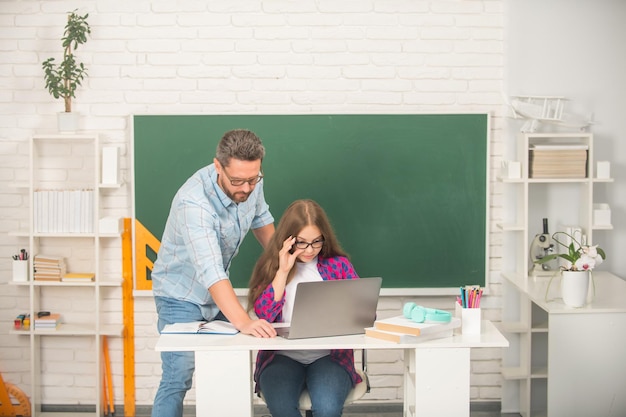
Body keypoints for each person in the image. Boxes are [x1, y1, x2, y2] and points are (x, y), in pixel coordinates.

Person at [151, 129, 277, 417]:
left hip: (217, 293)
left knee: (228, 369)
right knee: (178, 375)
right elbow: (211, 271)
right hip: (179, 295)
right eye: (237, 181)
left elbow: (261, 218)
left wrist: (286, 263)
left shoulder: (250, 178)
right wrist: (245, 321)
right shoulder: (194, 203)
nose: (246, 188)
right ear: (218, 166)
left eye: (253, 179)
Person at [247, 199, 362, 417]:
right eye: (302, 243)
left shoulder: (338, 265)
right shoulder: (271, 267)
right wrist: (282, 272)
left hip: (330, 356)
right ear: (287, 240)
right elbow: (264, 315)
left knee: (327, 409)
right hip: (281, 356)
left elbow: (364, 314)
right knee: (282, 409)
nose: (310, 250)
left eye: (316, 242)